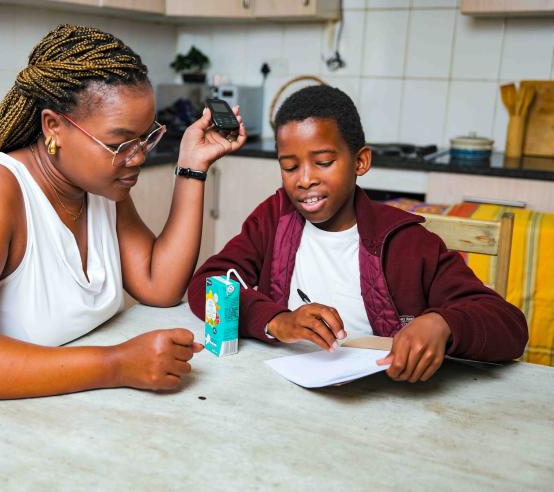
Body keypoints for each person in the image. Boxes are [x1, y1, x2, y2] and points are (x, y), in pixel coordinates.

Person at [0, 24, 246, 442]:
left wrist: (193, 166)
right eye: (120, 143)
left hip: (26, 410)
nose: (136, 157)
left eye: (145, 138)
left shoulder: (100, 184)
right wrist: (116, 364)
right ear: (53, 127)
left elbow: (160, 284)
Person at [187, 85, 527, 383]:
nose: (304, 179)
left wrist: (442, 323)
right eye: (290, 166)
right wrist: (277, 320)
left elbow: (510, 327)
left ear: (360, 162)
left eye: (322, 162)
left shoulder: (406, 242)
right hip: (287, 393)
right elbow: (207, 284)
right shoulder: (274, 219)